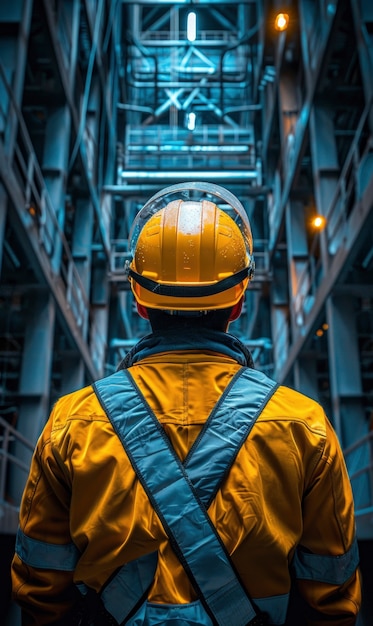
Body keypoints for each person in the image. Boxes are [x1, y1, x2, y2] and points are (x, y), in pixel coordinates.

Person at [11, 182, 361, 625]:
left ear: (138, 300)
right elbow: (331, 599)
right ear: (238, 302)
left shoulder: (72, 422)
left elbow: (39, 591)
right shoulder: (304, 426)